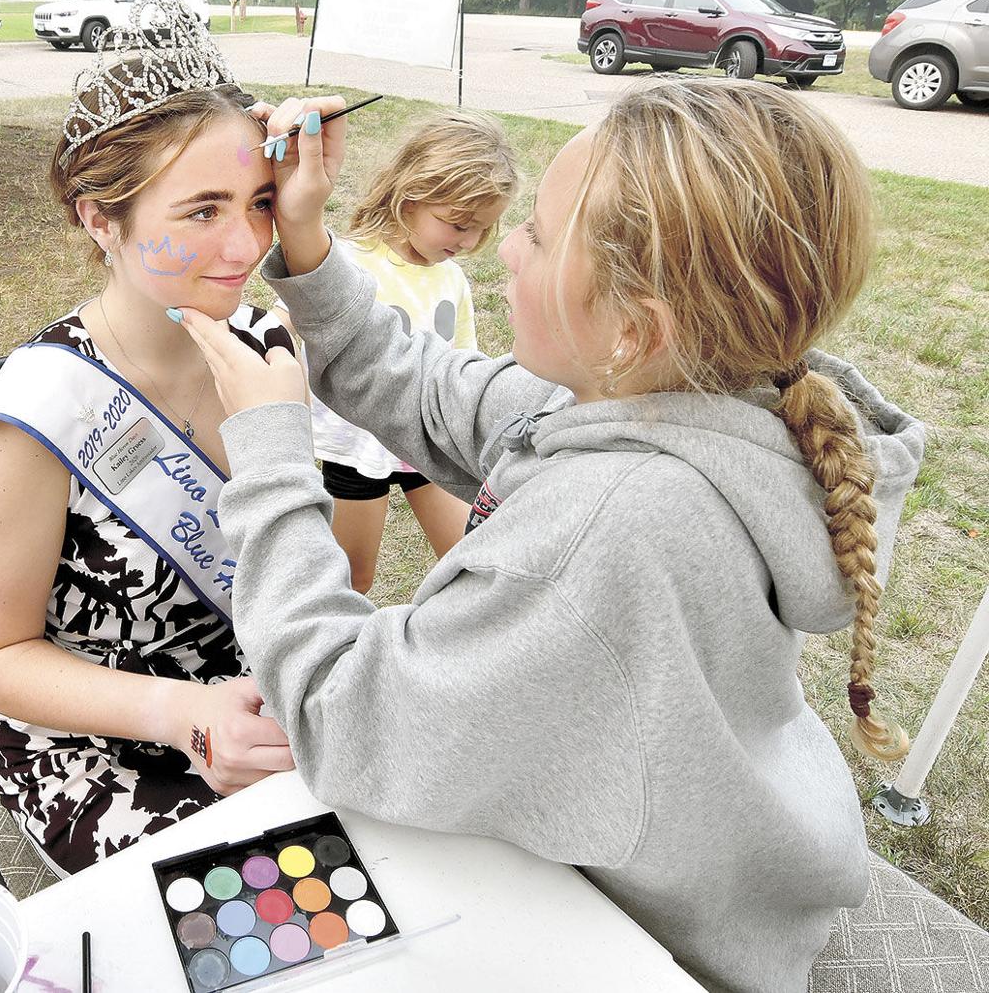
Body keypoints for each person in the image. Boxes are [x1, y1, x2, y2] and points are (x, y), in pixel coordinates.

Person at [174, 80, 926, 992]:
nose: (508, 254)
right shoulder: (682, 397)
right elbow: (424, 386)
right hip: (702, 861)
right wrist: (306, 234)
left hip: (635, 942)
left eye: (534, 231)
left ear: (630, 327)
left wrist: (270, 448)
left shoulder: (604, 533)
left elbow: (342, 712)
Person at [0, 0, 295, 876]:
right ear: (101, 220)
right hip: (98, 742)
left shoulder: (267, 356)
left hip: (256, 705)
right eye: (202, 210)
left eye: (260, 201)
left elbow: (325, 566)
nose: (247, 242)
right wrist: (184, 715)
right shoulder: (34, 418)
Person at [304, 110, 518, 592]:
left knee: (475, 558)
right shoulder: (349, 263)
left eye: (483, 229)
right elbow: (299, 322)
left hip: (429, 440)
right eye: (458, 224)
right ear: (410, 194)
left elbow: (463, 359)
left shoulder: (452, 277)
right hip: (358, 447)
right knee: (352, 577)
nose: (470, 241)